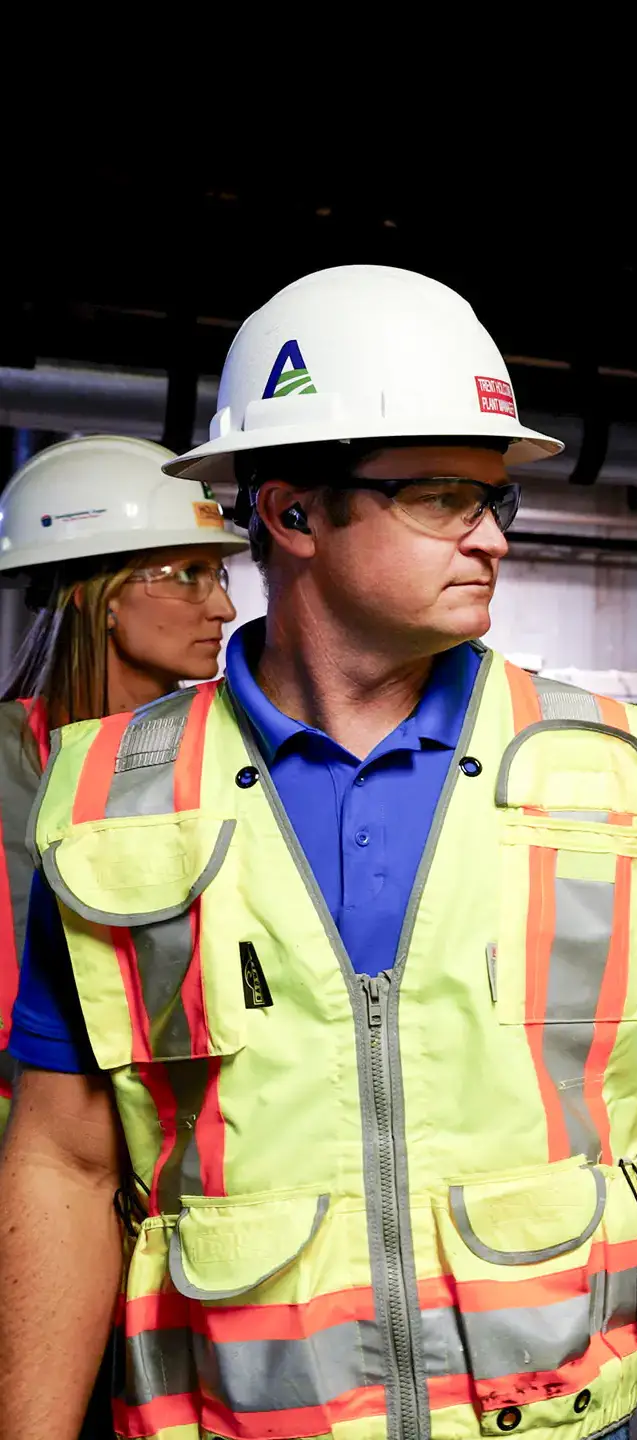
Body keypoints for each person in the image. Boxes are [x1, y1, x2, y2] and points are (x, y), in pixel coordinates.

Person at [0, 266, 637, 1440]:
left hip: (549, 1416)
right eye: (440, 496)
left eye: (495, 500)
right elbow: (63, 1162)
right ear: (291, 516)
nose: (490, 535)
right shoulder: (111, 803)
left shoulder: (588, 767)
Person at [0, 433, 245, 1438]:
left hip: (186, 1217)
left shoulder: (220, 771)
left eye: (219, 573)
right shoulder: (5, 768)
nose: (222, 604)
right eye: (187, 573)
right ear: (100, 591)